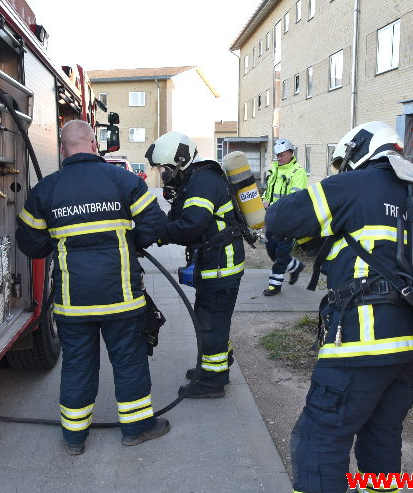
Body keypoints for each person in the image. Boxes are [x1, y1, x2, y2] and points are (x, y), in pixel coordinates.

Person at [265, 121, 413, 493]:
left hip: (362, 341)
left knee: (319, 437)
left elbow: (279, 219)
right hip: (410, 343)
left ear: (359, 150)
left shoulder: (356, 184)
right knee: (382, 436)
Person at [16, 120, 170, 456]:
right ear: (94, 144)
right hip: (123, 300)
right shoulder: (124, 180)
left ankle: (73, 438)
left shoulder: (46, 190)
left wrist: (54, 244)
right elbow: (156, 222)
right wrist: (133, 245)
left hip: (74, 304)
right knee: (129, 363)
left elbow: (29, 242)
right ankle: (136, 429)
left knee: (77, 365)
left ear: (62, 149)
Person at [145, 131, 244, 399]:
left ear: (181, 160)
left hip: (223, 264)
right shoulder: (193, 180)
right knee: (207, 317)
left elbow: (192, 224)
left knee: (211, 321)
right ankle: (214, 364)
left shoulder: (204, 181)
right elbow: (177, 217)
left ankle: (212, 382)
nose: (164, 174)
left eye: (165, 168)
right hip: (213, 262)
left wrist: (160, 235)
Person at [262, 138, 307, 296]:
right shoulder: (275, 170)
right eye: (277, 155)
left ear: (290, 153)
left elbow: (295, 199)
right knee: (271, 249)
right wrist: (265, 199)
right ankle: (295, 266)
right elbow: (269, 191)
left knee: (281, 253)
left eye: (282, 155)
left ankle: (275, 285)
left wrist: (275, 207)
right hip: (273, 218)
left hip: (288, 220)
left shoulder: (298, 172)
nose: (279, 158)